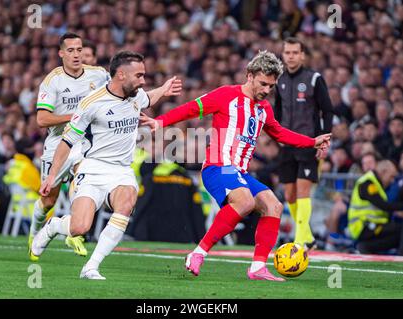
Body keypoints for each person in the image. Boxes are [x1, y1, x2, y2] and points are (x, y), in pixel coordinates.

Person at [140, 50, 331, 281]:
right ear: (249, 75)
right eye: (263, 84)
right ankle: (197, 253)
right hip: (217, 168)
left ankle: (258, 267)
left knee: (273, 206)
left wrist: (312, 142)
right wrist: (160, 121)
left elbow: (279, 133)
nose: (266, 90)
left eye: (271, 86)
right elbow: (192, 108)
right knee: (245, 201)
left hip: (238, 173)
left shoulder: (263, 109)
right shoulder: (226, 95)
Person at [32, 51, 182, 280]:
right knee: (80, 228)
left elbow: (149, 98)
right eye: (139, 75)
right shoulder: (91, 103)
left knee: (126, 203)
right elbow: (67, 141)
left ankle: (91, 267)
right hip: (92, 169)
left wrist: (164, 88)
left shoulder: (136, 96)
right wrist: (52, 176)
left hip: (121, 170)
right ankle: (54, 226)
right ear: (121, 75)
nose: (143, 81)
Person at [29, 32, 110, 261]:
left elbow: (118, 90)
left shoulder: (99, 75)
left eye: (79, 49)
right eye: (71, 50)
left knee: (84, 175)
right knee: (48, 200)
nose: (77, 54)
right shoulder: (52, 80)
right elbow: (42, 119)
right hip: (56, 144)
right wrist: (75, 115)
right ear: (61, 53)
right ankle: (36, 231)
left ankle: (74, 228)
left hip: (81, 142)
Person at [274, 37, 334, 250]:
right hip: (287, 144)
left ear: (302, 55)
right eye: (287, 52)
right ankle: (307, 235)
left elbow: (327, 110)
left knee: (302, 192)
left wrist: (324, 139)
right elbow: (277, 111)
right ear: (283, 55)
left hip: (309, 142)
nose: (290, 56)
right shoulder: (279, 79)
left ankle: (299, 241)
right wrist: (275, 136)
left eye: (294, 52)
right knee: (289, 194)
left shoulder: (314, 78)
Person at [348, 160, 403, 254]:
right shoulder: (368, 183)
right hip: (363, 226)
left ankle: (366, 247)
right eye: (391, 176)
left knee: (401, 233)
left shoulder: (376, 183)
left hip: (373, 225)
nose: (392, 180)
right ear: (383, 172)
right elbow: (383, 205)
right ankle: (366, 247)